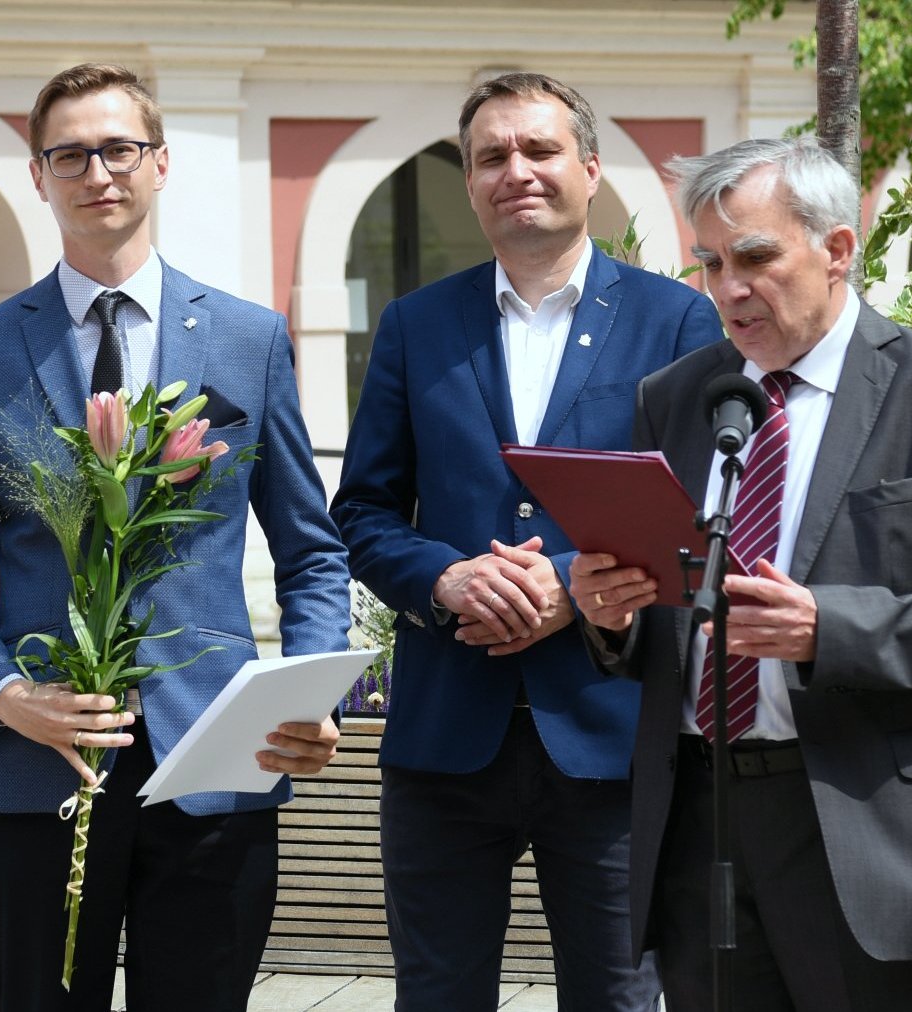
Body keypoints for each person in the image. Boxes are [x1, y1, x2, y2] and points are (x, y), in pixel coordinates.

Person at [0, 63, 351, 1011]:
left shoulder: (246, 339)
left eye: (119, 149)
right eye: (70, 154)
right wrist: (2, 694)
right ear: (38, 176)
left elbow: (311, 550)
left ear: (159, 164)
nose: (97, 171)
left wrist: (312, 689)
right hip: (39, 764)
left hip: (217, 763)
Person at [570, 137, 912, 1012]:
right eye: (710, 262)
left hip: (864, 828)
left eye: (754, 256)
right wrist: (611, 614)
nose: (727, 288)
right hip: (697, 818)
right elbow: (657, 615)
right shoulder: (674, 397)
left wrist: (829, 629)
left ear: (836, 248)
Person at [330, 72, 722, 1010]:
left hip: (610, 729)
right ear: (469, 183)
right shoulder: (416, 325)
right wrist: (447, 579)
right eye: (491, 156)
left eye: (540, 150)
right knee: (437, 996)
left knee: (619, 999)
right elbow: (364, 512)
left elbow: (707, 515)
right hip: (443, 735)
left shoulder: (678, 322)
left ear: (590, 169)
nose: (518, 171)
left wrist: (568, 587)